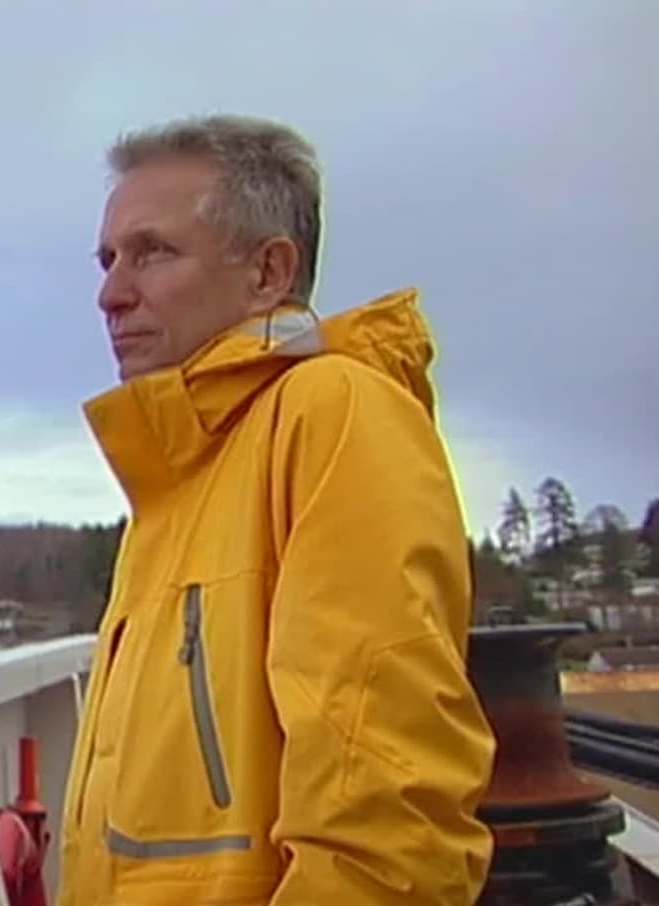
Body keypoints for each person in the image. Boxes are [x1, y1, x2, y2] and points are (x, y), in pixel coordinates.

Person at [57, 114, 496, 905]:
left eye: (153, 253)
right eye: (108, 259)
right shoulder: (182, 476)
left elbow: (389, 806)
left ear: (268, 272)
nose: (111, 295)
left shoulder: (333, 415)